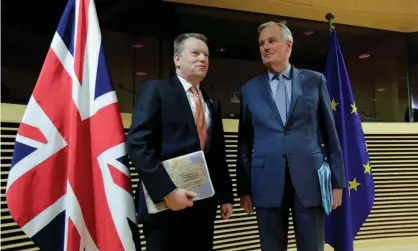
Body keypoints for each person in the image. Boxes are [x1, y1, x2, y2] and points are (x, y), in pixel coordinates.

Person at [236, 21, 346, 251]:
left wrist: (337, 181)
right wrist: (244, 189)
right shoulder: (249, 90)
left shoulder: (314, 81)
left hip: (310, 180)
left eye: (272, 41)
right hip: (265, 182)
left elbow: (331, 134)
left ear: (289, 45)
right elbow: (244, 144)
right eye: (262, 43)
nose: (265, 47)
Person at [126, 33, 234, 251]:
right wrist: (167, 192)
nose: (202, 59)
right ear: (177, 59)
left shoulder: (211, 102)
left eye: (206, 55)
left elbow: (217, 154)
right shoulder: (156, 90)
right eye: (195, 53)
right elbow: (138, 144)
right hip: (165, 205)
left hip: (202, 207)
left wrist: (225, 196)